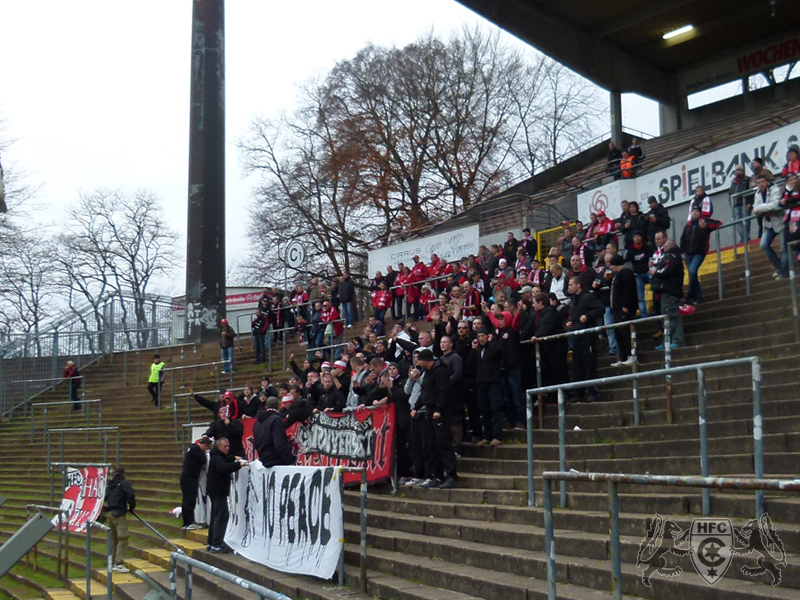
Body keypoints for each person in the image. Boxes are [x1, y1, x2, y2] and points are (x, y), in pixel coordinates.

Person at [416, 349, 457, 489]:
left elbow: (443, 392)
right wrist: (416, 407)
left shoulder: (440, 371)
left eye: (419, 360)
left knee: (443, 443)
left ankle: (451, 475)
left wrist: (439, 409)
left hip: (439, 412)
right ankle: (437, 475)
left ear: (426, 360)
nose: (417, 363)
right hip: (429, 410)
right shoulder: (427, 373)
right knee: (431, 445)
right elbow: (425, 392)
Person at [206, 438, 248, 553]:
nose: (227, 448)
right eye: (225, 446)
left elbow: (225, 460)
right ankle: (216, 544)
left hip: (215, 491)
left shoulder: (217, 456)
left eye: (228, 446)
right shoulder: (217, 458)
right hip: (218, 491)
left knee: (215, 516)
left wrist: (234, 458)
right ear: (219, 447)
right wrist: (239, 464)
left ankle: (211, 543)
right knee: (221, 516)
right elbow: (223, 467)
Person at [566, 276, 604, 403]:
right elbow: (577, 316)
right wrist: (570, 322)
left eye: (571, 284)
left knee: (589, 363)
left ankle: (590, 391)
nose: (569, 287)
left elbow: (600, 309)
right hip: (577, 336)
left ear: (578, 285)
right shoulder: (574, 300)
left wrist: (587, 316)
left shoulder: (587, 297)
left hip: (587, 336)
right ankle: (579, 392)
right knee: (577, 365)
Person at [680, 206, 721, 305]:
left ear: (700, 213)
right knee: (692, 275)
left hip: (699, 253)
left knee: (693, 272)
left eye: (697, 211)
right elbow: (683, 238)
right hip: (688, 254)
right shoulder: (688, 225)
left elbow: (718, 223)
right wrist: (683, 250)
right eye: (693, 211)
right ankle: (697, 298)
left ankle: (689, 295)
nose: (694, 213)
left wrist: (706, 225)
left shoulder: (704, 222)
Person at [469, 328, 504, 447]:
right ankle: (487, 436)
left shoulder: (492, 347)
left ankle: (497, 435)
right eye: (479, 336)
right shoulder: (478, 350)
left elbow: (496, 352)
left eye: (483, 336)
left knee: (495, 409)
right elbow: (471, 364)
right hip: (481, 382)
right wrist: (473, 350)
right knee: (484, 410)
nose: (481, 339)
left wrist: (492, 341)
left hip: (493, 381)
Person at [752, 174, 787, 278]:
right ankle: (780, 268)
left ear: (766, 181)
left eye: (762, 182)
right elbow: (755, 209)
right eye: (758, 183)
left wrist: (761, 208)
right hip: (768, 224)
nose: (761, 184)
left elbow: (775, 205)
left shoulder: (774, 189)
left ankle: (784, 273)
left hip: (780, 222)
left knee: (784, 249)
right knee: (763, 245)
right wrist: (764, 209)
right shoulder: (757, 193)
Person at [652, 240, 685, 350]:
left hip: (670, 291)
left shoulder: (670, 257)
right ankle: (668, 340)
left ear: (666, 247)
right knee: (667, 316)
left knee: (671, 315)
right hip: (668, 291)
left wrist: (655, 272)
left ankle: (676, 340)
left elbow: (666, 271)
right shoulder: (674, 256)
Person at [608, 255, 638, 366]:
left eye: (611, 265)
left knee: (625, 333)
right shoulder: (618, 275)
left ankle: (631, 355)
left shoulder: (626, 273)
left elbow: (628, 290)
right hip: (617, 310)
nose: (610, 267)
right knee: (619, 333)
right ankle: (623, 357)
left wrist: (625, 306)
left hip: (624, 309)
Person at [105, 467, 135, 573]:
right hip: (119, 515)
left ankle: (111, 561)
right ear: (123, 475)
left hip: (110, 514)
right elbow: (130, 495)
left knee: (114, 540)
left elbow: (105, 497)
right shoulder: (123, 483)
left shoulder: (110, 484)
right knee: (123, 538)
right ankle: (118, 563)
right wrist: (131, 507)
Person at [180, 436, 212, 531]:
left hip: (187, 477)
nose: (206, 451)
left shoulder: (193, 448)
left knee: (187, 499)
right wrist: (204, 454)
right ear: (204, 445)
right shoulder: (196, 450)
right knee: (190, 500)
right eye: (207, 448)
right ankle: (189, 522)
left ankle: (187, 522)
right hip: (189, 478)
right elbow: (203, 459)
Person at [253, 396, 295, 467]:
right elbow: (279, 443)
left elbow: (255, 443)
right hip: (276, 460)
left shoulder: (257, 422)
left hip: (262, 460)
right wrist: (289, 460)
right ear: (278, 407)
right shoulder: (276, 419)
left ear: (266, 407)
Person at [625, 231, 652, 317]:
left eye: (638, 236)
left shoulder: (647, 247)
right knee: (640, 298)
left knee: (656, 289)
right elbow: (627, 262)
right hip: (637, 274)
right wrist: (632, 271)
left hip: (648, 271)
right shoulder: (630, 250)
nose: (636, 238)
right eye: (635, 237)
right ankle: (644, 317)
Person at [729, 164, 752, 246]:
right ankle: (746, 239)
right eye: (736, 170)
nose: (738, 172)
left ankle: (744, 240)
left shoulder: (748, 180)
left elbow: (750, 192)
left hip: (744, 204)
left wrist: (750, 203)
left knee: (746, 223)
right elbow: (731, 192)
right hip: (735, 205)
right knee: (738, 224)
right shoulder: (733, 181)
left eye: (739, 170)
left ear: (743, 171)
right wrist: (730, 202)